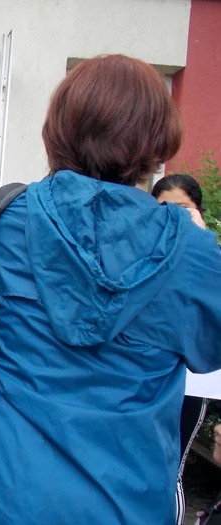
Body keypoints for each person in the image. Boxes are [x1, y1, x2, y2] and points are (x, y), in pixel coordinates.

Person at [0, 55, 221, 524]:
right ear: (156, 139)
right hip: (122, 501)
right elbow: (209, 352)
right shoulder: (189, 250)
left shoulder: (8, 220)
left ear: (59, 130)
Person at [152, 174, 210, 525]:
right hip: (155, 381)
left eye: (182, 209)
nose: (173, 217)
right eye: (163, 210)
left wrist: (202, 240)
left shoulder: (206, 256)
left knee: (171, 471)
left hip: (191, 384)